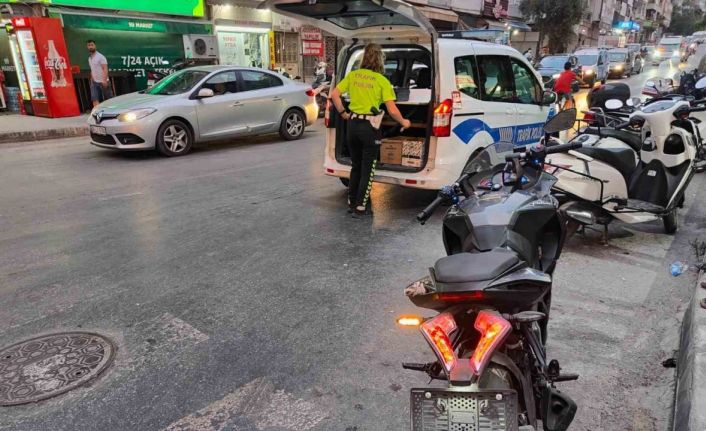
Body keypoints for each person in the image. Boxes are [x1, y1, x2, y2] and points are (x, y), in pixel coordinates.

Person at [330, 43, 411, 217]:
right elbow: (392, 110)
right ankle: (360, 207)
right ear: (380, 60)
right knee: (368, 168)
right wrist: (404, 122)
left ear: (364, 58)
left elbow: (334, 95)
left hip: (352, 125)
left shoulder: (353, 75)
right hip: (369, 128)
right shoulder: (382, 81)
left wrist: (344, 113)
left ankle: (352, 202)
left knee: (356, 166)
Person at [87, 40, 112, 107]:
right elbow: (92, 69)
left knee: (109, 99)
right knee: (94, 99)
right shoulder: (89, 58)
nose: (90, 47)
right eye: (89, 45)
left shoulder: (101, 57)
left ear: (95, 46)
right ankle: (97, 112)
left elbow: (105, 68)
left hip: (103, 81)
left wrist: (104, 80)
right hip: (94, 82)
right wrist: (92, 79)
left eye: (92, 45)